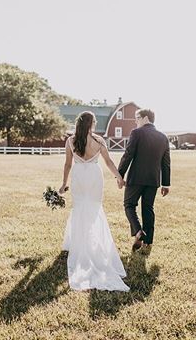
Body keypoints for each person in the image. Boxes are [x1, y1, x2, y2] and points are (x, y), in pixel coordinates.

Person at [59, 111, 129, 292]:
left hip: (78, 177)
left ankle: (78, 242)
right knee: (93, 209)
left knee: (79, 208)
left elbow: (68, 164)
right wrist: (119, 177)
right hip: (94, 177)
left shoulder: (71, 141)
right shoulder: (99, 141)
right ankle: (89, 242)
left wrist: (63, 184)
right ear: (92, 124)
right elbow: (108, 162)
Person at [118, 108, 171, 253]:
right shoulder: (163, 137)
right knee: (148, 209)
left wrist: (120, 174)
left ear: (145, 118)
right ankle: (148, 242)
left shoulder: (137, 133)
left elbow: (128, 155)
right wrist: (166, 184)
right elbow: (166, 163)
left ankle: (138, 232)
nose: (135, 121)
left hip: (136, 178)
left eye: (137, 118)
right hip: (153, 180)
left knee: (129, 205)